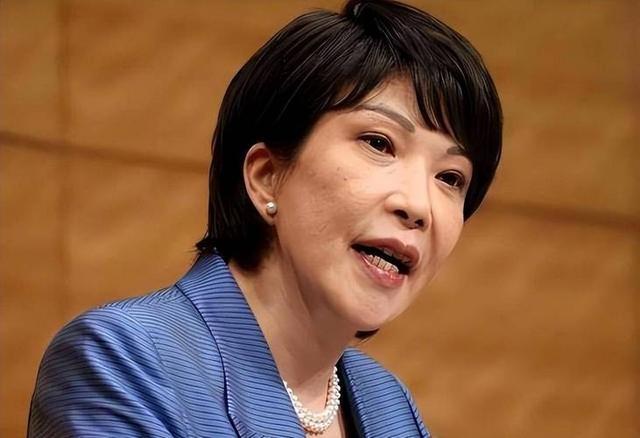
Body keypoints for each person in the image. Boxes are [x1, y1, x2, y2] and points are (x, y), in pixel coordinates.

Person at [28, 0, 502, 436]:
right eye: (379, 143)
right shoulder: (126, 359)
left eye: (450, 178)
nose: (419, 206)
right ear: (266, 176)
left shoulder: (391, 408)